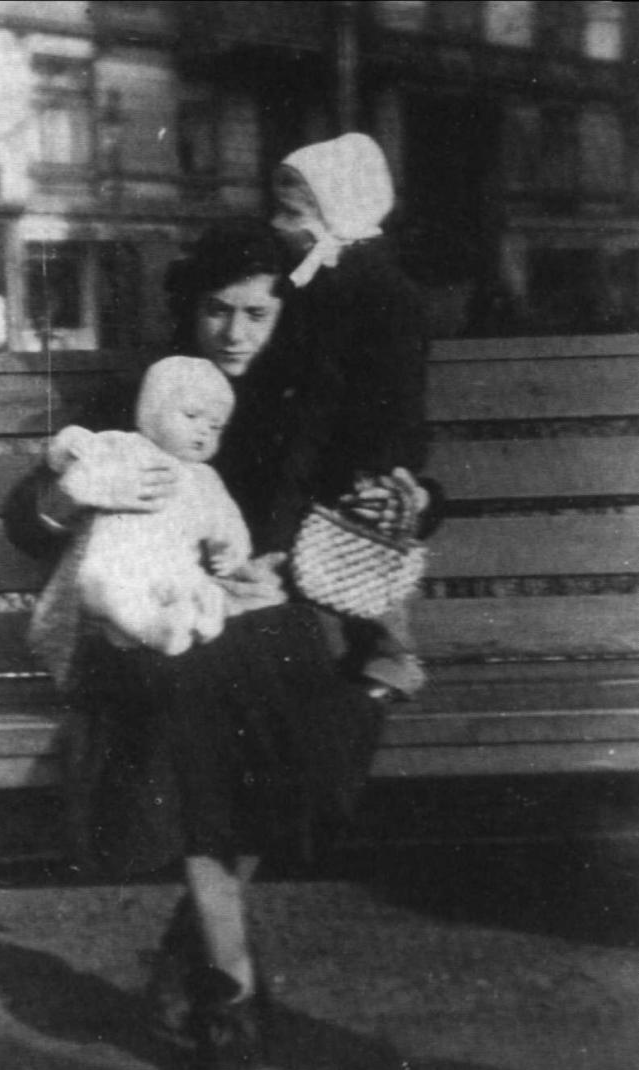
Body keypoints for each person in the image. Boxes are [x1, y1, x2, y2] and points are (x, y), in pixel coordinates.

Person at [4, 216, 433, 1070]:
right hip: (148, 627)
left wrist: (411, 500)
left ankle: (194, 946)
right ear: (188, 308)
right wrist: (71, 489)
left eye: (256, 313)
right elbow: (27, 516)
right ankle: (230, 976)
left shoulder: (309, 394)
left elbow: (394, 492)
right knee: (208, 692)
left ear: (284, 316)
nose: (234, 334)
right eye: (215, 310)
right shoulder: (143, 391)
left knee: (273, 683)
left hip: (264, 621)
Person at [271, 132, 433, 701]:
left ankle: (392, 653)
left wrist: (386, 460)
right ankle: (351, 652)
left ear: (338, 213)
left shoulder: (372, 286)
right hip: (339, 443)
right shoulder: (318, 279)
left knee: (370, 539)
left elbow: (394, 385)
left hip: (372, 448)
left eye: (291, 213)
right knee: (332, 552)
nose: (278, 224)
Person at [29, 356, 251, 680]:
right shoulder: (123, 445)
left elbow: (227, 522)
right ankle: (154, 628)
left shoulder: (206, 479)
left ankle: (185, 623)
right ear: (150, 413)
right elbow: (69, 452)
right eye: (191, 416)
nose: (204, 430)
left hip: (174, 570)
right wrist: (69, 446)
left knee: (198, 589)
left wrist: (231, 550)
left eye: (215, 426)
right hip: (117, 564)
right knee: (104, 588)